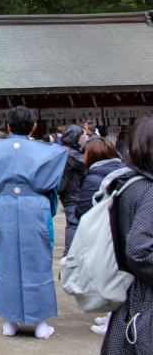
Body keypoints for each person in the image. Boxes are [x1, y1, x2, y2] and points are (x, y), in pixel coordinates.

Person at [0, 106, 68, 339]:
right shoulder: (48, 151)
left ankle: (10, 322)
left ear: (7, 127)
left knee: (7, 261)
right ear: (34, 127)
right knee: (38, 261)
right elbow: (52, 189)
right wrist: (45, 211)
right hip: (35, 205)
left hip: (4, 205)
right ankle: (40, 324)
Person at [100, 117, 153, 354]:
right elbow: (140, 250)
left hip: (128, 294)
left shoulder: (126, 183)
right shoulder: (149, 190)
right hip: (145, 297)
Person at [72, 137, 124, 337]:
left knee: (108, 276)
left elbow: (82, 210)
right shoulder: (124, 170)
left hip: (105, 234)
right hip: (121, 230)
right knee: (119, 275)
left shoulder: (94, 178)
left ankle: (113, 321)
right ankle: (112, 315)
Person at [59, 124, 86, 256]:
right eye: (82, 136)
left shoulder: (64, 150)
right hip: (72, 193)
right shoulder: (72, 154)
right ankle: (69, 253)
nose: (83, 138)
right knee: (73, 223)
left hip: (67, 193)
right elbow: (89, 164)